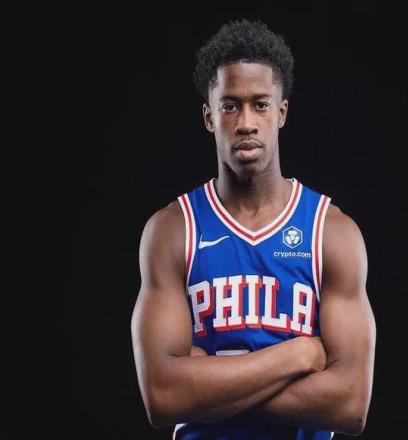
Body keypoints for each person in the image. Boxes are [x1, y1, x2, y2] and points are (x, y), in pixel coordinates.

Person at [131, 19, 376, 439]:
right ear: (209, 117)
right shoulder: (173, 231)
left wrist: (206, 379)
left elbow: (351, 405)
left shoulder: (331, 232)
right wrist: (298, 356)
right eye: (230, 106)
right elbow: (163, 397)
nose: (246, 122)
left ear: (281, 113)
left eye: (260, 105)